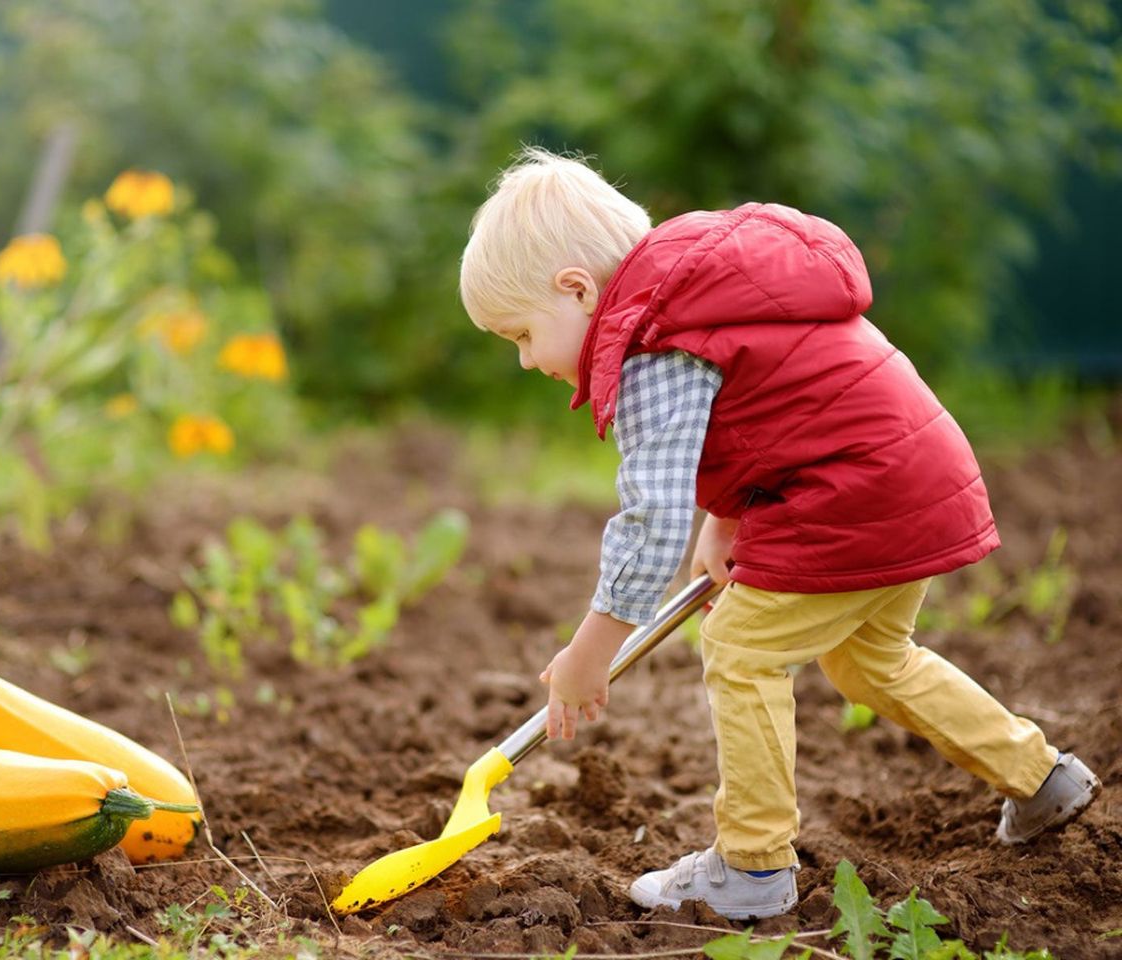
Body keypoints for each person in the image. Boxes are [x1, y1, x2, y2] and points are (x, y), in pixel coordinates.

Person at [458, 147, 1102, 921]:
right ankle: (1041, 778)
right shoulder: (703, 293)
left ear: (577, 290)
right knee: (873, 663)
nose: (526, 361)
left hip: (852, 492)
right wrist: (725, 525)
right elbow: (768, 409)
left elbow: (652, 516)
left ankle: (752, 868)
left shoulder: (652, 348)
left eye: (522, 336)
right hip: (908, 473)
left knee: (741, 648)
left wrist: (589, 651)